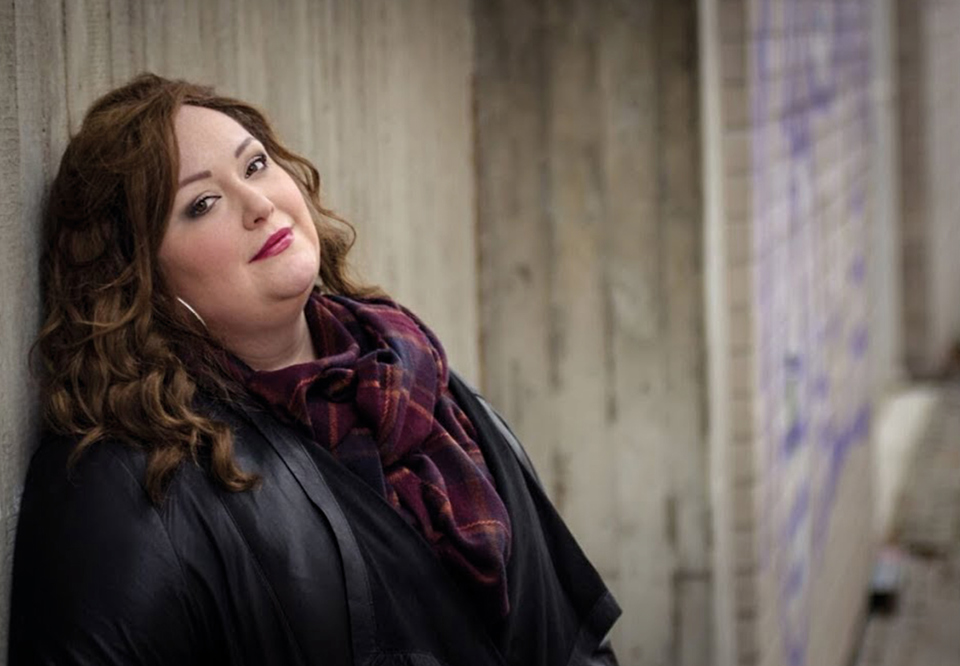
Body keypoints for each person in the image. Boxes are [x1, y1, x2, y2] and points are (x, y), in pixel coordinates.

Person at [8, 74, 620, 666]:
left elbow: (572, 638)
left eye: (254, 165)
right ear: (141, 278)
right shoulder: (122, 485)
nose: (258, 203)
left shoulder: (421, 378)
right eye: (202, 203)